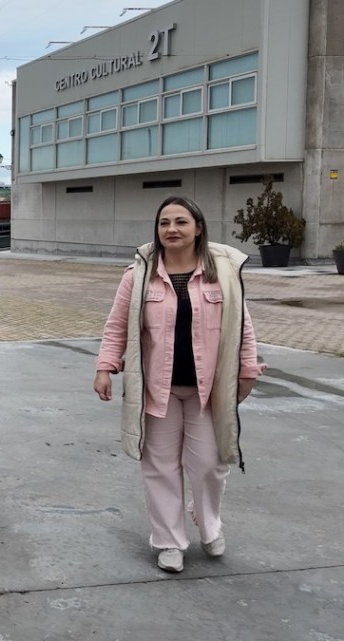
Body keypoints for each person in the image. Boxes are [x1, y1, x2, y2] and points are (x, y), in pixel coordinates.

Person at [94, 195, 265, 572]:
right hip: (157, 388)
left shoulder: (224, 272)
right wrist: (105, 366)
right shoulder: (138, 275)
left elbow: (243, 325)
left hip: (209, 389)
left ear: (198, 227)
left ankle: (208, 522)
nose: (171, 229)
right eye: (164, 223)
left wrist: (248, 369)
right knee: (160, 465)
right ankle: (169, 540)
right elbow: (116, 325)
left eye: (181, 222)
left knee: (210, 463)